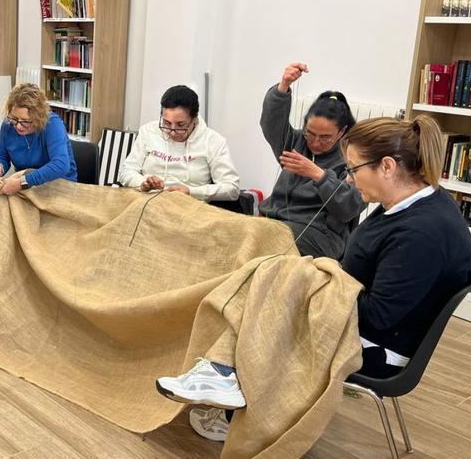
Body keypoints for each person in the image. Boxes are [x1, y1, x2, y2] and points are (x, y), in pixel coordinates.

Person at [155, 115, 471, 442]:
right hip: (360, 322)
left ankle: (229, 387)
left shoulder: (422, 233)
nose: (348, 180)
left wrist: (316, 282)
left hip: (376, 349)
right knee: (266, 278)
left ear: (387, 167)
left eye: (353, 169)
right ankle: (225, 375)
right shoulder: (410, 202)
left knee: (267, 295)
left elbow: (378, 315)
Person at [258, 62, 365, 259]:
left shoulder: (354, 159)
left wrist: (319, 175)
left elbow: (350, 207)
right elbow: (271, 124)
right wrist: (283, 87)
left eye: (325, 138)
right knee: (235, 229)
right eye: (311, 133)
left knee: (265, 236)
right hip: (276, 223)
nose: (315, 142)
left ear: (342, 132)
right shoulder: (297, 143)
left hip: (321, 237)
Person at [118, 85, 240, 201]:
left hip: (189, 207)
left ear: (195, 119)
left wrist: (191, 191)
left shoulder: (213, 141)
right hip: (147, 201)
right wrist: (143, 183)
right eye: (166, 123)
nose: (172, 132)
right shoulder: (148, 131)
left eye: (180, 125)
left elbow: (232, 188)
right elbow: (126, 171)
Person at [0, 83, 78, 196]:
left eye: (25, 121)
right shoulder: (8, 125)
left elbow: (61, 165)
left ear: (38, 117)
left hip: (58, 186)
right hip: (28, 186)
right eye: (14, 119)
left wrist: (22, 182)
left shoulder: (52, 124)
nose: (18, 126)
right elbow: (2, 156)